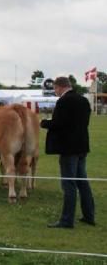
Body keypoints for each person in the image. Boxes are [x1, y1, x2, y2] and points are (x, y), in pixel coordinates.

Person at [41, 76, 95, 228]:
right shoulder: (83, 100)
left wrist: (44, 123)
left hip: (68, 148)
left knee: (69, 184)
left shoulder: (64, 101)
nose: (55, 92)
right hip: (82, 146)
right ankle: (89, 215)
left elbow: (59, 124)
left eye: (55, 89)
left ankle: (66, 220)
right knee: (82, 182)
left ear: (60, 87)